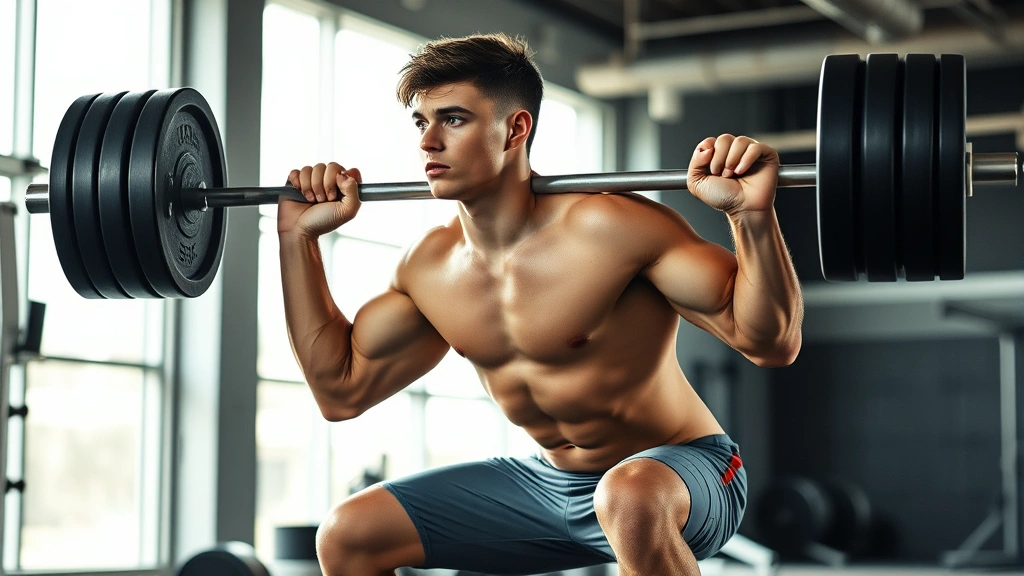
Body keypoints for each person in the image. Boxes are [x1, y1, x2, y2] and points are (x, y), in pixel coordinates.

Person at [278, 32, 802, 576]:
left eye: (453, 119)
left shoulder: (611, 228)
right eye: (420, 121)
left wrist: (750, 217)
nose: (427, 142)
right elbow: (340, 391)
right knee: (349, 535)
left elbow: (769, 341)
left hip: (683, 472)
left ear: (515, 128)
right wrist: (296, 241)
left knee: (629, 495)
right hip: (551, 484)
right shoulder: (429, 267)